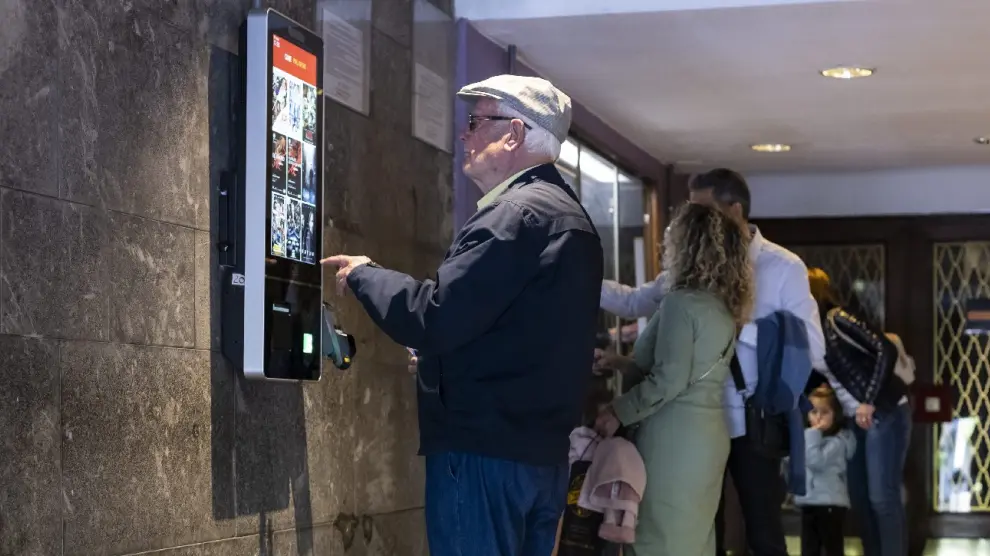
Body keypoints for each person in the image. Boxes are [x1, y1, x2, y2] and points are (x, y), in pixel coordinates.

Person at [322, 74, 604, 556]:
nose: (464, 134)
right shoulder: (572, 220)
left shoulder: (514, 217)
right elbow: (523, 341)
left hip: (484, 459)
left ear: (513, 134)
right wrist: (445, 364)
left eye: (476, 122)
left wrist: (364, 274)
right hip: (542, 462)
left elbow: (436, 317)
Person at [597, 168, 826, 556]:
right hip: (694, 421)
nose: (699, 220)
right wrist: (577, 277)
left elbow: (813, 349)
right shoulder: (688, 275)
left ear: (734, 209)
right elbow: (635, 301)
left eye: (705, 209)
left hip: (750, 420)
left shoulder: (783, 266)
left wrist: (735, 331)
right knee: (701, 531)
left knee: (763, 533)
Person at [595, 202, 754, 556]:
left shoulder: (681, 303)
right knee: (691, 542)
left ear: (687, 247)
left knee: (655, 540)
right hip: (707, 440)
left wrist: (617, 411)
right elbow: (687, 373)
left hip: (672, 442)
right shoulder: (721, 307)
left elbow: (668, 381)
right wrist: (619, 362)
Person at [807, 268, 911, 556]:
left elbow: (885, 349)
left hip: (884, 411)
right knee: (861, 498)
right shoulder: (811, 331)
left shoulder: (836, 318)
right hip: (857, 419)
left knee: (882, 497)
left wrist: (868, 399)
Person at [794, 384, 856, 556]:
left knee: (832, 549)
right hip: (809, 502)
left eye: (824, 412)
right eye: (814, 412)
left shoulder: (838, 442)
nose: (818, 417)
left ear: (835, 414)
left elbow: (815, 461)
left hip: (829, 504)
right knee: (809, 548)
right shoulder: (809, 437)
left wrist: (812, 434)